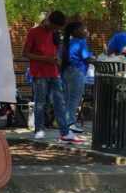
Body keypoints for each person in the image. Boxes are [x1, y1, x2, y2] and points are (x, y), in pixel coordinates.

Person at [22, 11, 82, 143]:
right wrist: (45, 59)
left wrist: (57, 59)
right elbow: (25, 53)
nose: (54, 29)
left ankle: (65, 133)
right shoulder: (34, 32)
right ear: (48, 20)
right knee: (40, 103)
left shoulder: (55, 33)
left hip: (53, 72)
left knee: (59, 103)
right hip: (39, 73)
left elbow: (56, 50)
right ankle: (39, 130)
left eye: (57, 28)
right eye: (53, 26)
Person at [59, 20, 94, 134]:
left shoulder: (66, 43)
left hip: (65, 72)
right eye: (83, 29)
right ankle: (71, 124)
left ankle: (65, 122)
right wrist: (97, 60)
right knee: (74, 98)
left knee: (67, 98)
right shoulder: (80, 42)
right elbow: (86, 58)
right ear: (77, 31)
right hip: (77, 71)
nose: (86, 31)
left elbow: (59, 57)